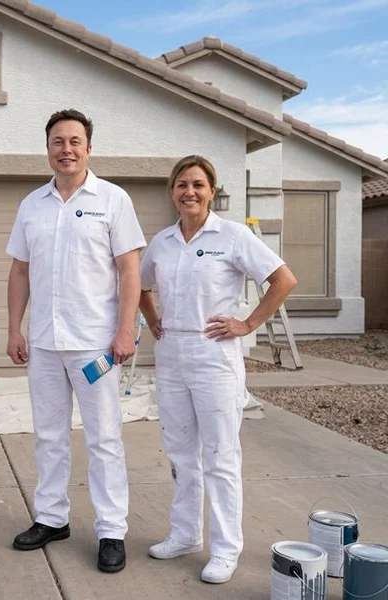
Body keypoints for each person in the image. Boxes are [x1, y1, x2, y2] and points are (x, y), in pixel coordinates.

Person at [139, 155, 297, 584]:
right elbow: (139, 285)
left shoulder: (233, 235)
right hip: (172, 357)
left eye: (198, 185)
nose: (189, 192)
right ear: (172, 192)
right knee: (180, 453)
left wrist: (247, 324)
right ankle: (185, 534)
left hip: (214, 358)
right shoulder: (163, 242)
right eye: (181, 185)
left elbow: (283, 279)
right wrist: (153, 319)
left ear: (212, 191)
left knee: (220, 457)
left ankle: (226, 548)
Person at [6, 109, 146, 573]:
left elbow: (130, 269)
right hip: (45, 343)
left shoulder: (113, 199)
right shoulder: (32, 204)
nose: (66, 149)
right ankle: (51, 518)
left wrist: (125, 330)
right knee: (49, 435)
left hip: (95, 346)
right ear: (47, 148)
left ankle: (111, 530)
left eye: (74, 141)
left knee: (104, 437)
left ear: (88, 147)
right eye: (57, 141)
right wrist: (14, 328)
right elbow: (21, 270)